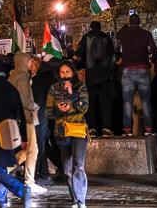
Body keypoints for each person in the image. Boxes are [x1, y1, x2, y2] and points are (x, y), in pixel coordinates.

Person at [0, 57, 30, 208]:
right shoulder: (11, 88)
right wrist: (23, 136)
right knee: (2, 165)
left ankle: (21, 189)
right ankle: (1, 199)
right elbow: (20, 113)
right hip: (11, 133)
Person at [48, 60, 90, 208]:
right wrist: (59, 110)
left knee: (79, 166)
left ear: (73, 72)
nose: (65, 75)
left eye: (68, 72)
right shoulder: (54, 89)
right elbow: (49, 112)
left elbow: (84, 108)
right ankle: (74, 198)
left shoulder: (80, 87)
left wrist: (72, 96)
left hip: (78, 130)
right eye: (62, 72)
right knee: (67, 170)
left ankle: (81, 200)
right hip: (61, 132)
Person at [9, 51, 46, 194]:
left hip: (19, 117)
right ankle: (29, 181)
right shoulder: (22, 76)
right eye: (30, 62)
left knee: (27, 150)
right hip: (27, 117)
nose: (32, 64)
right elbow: (25, 100)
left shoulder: (13, 75)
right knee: (33, 149)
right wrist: (35, 106)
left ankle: (3, 169)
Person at [115, 13, 157, 135]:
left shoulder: (124, 33)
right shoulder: (146, 34)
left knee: (127, 101)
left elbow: (117, 38)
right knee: (145, 101)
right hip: (143, 69)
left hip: (128, 69)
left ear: (129, 22)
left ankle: (127, 129)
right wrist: (151, 61)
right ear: (139, 22)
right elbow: (154, 51)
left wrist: (124, 27)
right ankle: (149, 129)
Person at [76, 21, 115, 137]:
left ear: (91, 28)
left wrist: (80, 67)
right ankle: (106, 128)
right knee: (105, 104)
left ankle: (92, 128)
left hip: (91, 76)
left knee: (91, 104)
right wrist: (111, 72)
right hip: (105, 75)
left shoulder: (86, 38)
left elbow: (80, 56)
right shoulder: (106, 38)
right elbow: (112, 56)